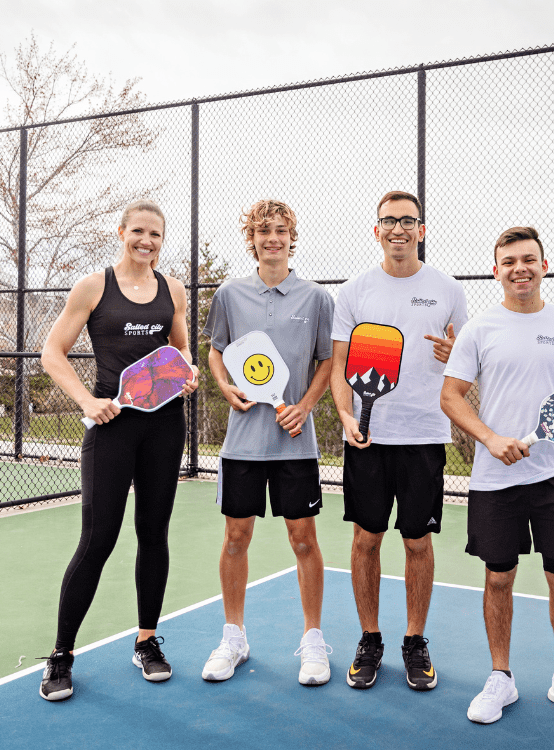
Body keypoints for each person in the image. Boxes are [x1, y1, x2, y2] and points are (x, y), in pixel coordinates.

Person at [440, 226, 554, 725]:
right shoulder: (479, 330)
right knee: (499, 578)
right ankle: (501, 678)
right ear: (496, 271)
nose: (520, 268)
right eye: (509, 261)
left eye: (529, 259)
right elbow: (450, 396)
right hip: (495, 479)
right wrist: (491, 439)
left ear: (544, 265)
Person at [37, 200, 198, 701]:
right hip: (112, 429)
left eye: (155, 234)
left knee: (154, 533)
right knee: (98, 539)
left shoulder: (172, 290)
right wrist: (88, 399)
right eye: (139, 232)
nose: (146, 242)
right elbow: (51, 352)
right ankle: (61, 655)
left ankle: (147, 641)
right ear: (122, 231)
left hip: (165, 428)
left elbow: (181, 351)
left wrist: (186, 374)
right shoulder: (92, 286)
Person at [330, 190, 468, 691]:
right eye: (388, 221)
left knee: (417, 541)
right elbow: (342, 364)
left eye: (408, 221)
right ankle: (370, 639)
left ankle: (414, 640)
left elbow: (465, 370)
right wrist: (346, 415)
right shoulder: (354, 291)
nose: (398, 230)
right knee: (366, 539)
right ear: (376, 231)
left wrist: (456, 355)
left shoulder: (449, 290)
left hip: (424, 436)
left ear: (422, 231)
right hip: (367, 438)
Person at [201, 199, 335, 686]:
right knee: (236, 539)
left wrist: (307, 405)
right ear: (252, 240)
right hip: (242, 446)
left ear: (291, 237)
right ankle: (233, 636)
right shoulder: (230, 295)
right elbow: (217, 351)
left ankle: (314, 640)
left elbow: (327, 361)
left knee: (304, 540)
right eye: (264, 232)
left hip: (296, 446)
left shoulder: (317, 298)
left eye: (281, 231)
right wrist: (224, 385)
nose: (272, 238)